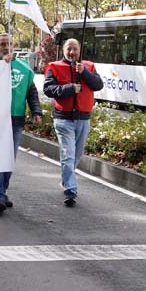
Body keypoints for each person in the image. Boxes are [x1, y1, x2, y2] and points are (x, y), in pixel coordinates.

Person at [42, 37, 104, 207]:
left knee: (76, 155)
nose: (72, 52)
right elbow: (47, 89)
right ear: (64, 50)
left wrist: (84, 72)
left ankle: (66, 179)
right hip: (63, 119)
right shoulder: (54, 67)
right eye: (69, 49)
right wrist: (69, 88)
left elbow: (98, 85)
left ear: (79, 50)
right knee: (68, 154)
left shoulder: (89, 67)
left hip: (83, 118)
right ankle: (71, 189)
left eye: (75, 49)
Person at [0, 33, 42, 215]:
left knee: (9, 160)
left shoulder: (25, 69)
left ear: (14, 47)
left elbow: (31, 93)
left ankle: (3, 191)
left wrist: (36, 112)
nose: (5, 47)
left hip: (15, 120)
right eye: (2, 44)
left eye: (9, 44)